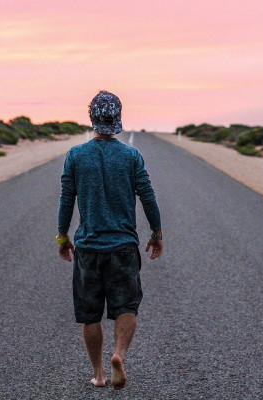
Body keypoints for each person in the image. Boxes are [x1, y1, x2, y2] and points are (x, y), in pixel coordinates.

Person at [56, 90, 163, 390]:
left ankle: (100, 373)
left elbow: (67, 199)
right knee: (126, 307)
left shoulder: (76, 155)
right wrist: (157, 233)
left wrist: (62, 236)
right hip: (123, 247)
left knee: (90, 314)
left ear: (91, 117)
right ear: (117, 118)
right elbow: (148, 196)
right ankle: (119, 354)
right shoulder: (131, 156)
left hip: (89, 248)